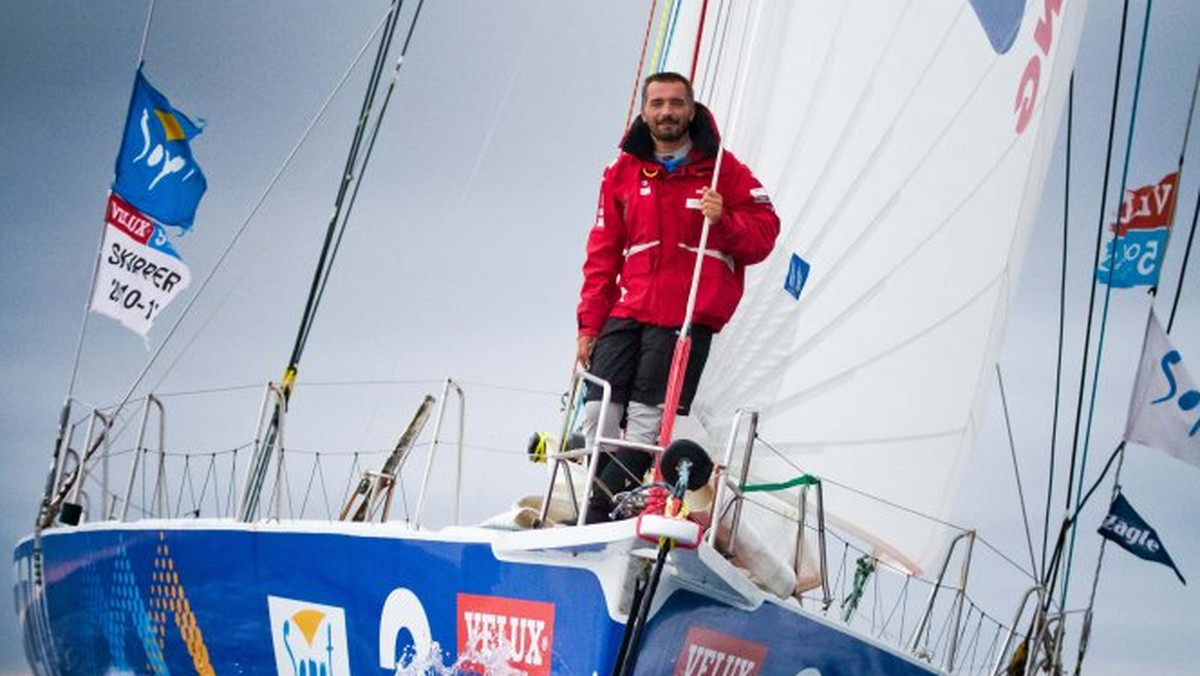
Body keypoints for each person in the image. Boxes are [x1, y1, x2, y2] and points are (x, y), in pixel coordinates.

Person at [575, 71, 779, 523]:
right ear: (645, 111)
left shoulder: (726, 171)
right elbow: (602, 251)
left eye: (675, 103)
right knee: (597, 414)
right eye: (657, 103)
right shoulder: (621, 172)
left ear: (691, 109)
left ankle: (597, 515)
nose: (666, 112)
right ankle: (602, 505)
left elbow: (765, 235)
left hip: (683, 318)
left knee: (648, 425)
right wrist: (589, 325)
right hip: (627, 310)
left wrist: (723, 219)